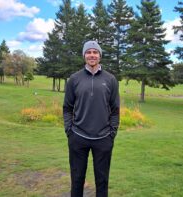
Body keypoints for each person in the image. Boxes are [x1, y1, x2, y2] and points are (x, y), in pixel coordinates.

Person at [63, 40, 120, 197]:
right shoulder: (74, 79)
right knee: (77, 179)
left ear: (100, 55)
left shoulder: (110, 80)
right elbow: (67, 108)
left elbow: (115, 110)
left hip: (103, 139)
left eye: (95, 52)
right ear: (84, 55)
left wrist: (111, 134)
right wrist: (69, 131)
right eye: (89, 52)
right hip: (78, 137)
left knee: (102, 181)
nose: (92, 55)